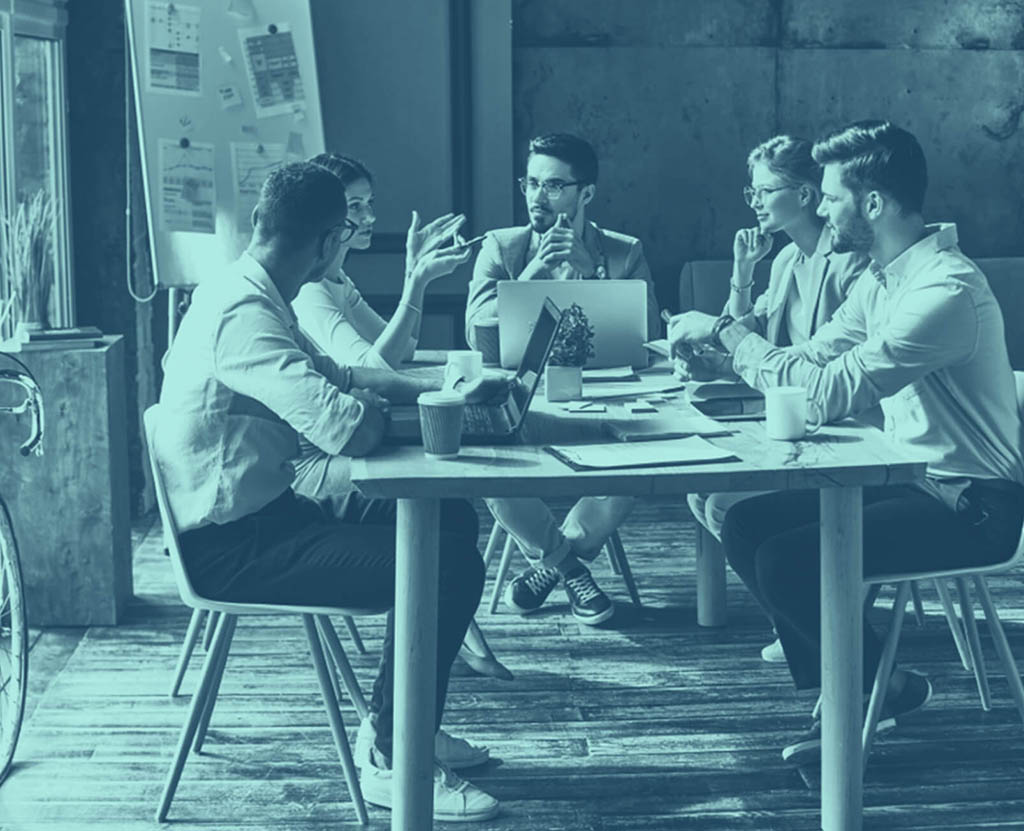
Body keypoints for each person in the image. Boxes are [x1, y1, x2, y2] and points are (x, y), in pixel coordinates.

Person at [153, 161, 499, 822]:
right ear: (327, 242)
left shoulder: (250, 288)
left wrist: (439, 392)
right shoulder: (245, 314)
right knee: (447, 565)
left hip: (267, 516)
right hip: (234, 547)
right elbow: (350, 430)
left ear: (260, 221)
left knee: (448, 519)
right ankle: (395, 756)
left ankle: (404, 724)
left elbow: (346, 373)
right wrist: (369, 406)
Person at [669, 120, 1024, 764]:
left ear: (872, 204)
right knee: (746, 524)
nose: (822, 208)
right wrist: (725, 360)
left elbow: (832, 391)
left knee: (787, 561)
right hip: (906, 478)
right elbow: (807, 361)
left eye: (830, 196)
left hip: (970, 504)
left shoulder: (944, 290)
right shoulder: (880, 279)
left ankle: (857, 700)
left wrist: (727, 332)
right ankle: (874, 686)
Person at [674, 135, 869, 662]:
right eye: (751, 191)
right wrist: (741, 277)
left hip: (842, 424)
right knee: (702, 493)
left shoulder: (850, 263)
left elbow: (817, 361)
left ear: (806, 195)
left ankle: (808, 619)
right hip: (791, 416)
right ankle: (798, 616)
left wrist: (726, 341)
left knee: (722, 502)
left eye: (764, 190)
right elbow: (751, 333)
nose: (754, 201)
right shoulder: (784, 260)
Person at [464, 133, 655, 624]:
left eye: (552, 186)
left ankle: (549, 567)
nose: (536, 196)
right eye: (530, 183)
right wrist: (534, 272)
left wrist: (593, 276)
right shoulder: (501, 247)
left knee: (641, 461)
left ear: (585, 193)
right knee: (488, 463)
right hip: (525, 399)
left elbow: (646, 339)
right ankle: (570, 569)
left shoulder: (622, 251)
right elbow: (476, 332)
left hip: (603, 397)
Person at [292, 153, 472, 369]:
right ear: (323, 211)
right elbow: (374, 368)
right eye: (355, 206)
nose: (370, 217)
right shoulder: (309, 289)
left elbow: (404, 350)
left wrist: (413, 271)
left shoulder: (339, 280)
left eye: (370, 203)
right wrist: (417, 279)